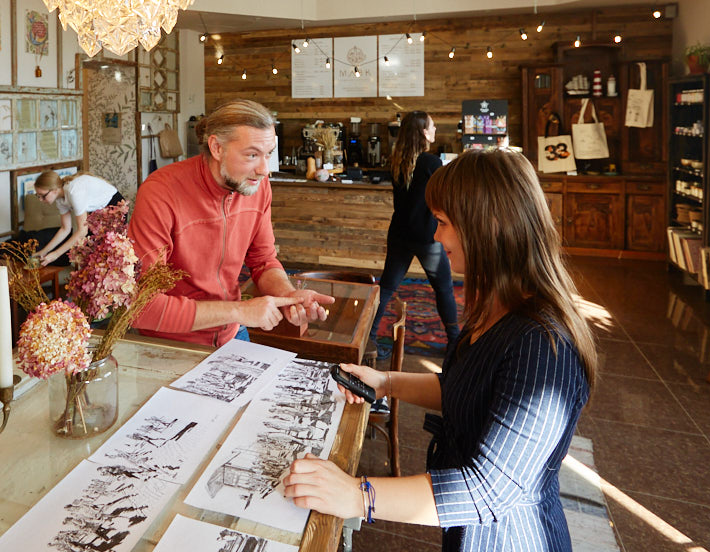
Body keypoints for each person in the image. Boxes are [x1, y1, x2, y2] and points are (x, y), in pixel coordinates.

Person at [283, 148, 597, 552]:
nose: (435, 235)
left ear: (490, 225)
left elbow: (487, 491)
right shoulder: (499, 304)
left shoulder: (542, 345)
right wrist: (386, 382)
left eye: (444, 223)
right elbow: (467, 389)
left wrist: (357, 495)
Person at [130, 99, 335, 346]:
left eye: (268, 154)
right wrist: (239, 311)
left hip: (231, 333)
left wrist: (288, 295)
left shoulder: (258, 186)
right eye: (252, 155)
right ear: (216, 147)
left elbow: (263, 261)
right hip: (172, 343)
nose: (264, 170)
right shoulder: (161, 192)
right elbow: (141, 307)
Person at [370, 111, 459, 355]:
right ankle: (455, 343)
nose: (435, 129)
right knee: (443, 288)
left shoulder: (397, 160)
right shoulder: (431, 163)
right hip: (427, 237)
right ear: (423, 132)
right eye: (432, 125)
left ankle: (369, 337)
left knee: (387, 287)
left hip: (399, 233)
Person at [0, 171, 124, 265]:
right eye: (38, 196)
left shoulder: (74, 192)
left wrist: (55, 255)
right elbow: (65, 229)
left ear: (54, 190)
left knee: (102, 253)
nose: (41, 200)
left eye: (43, 196)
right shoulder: (60, 199)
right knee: (90, 253)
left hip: (114, 206)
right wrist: (44, 251)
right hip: (97, 212)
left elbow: (82, 231)